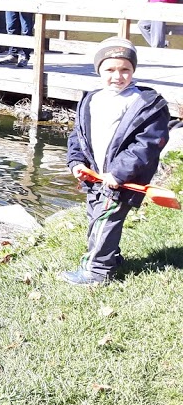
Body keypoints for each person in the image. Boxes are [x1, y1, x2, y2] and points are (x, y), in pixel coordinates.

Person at [64, 37, 170, 286]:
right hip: (95, 177)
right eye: (110, 69)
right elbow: (78, 136)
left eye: (125, 69)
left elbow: (147, 145)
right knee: (96, 217)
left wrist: (119, 173)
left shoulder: (147, 104)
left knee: (105, 219)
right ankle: (110, 257)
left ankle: (97, 272)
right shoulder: (91, 99)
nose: (118, 76)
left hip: (122, 179)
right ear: (98, 69)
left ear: (133, 70)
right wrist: (77, 162)